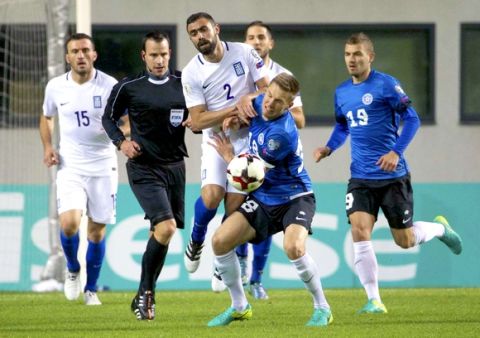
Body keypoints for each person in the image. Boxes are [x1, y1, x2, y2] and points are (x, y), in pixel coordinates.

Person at [313, 32, 463, 314]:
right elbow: (344, 125)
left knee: (404, 241)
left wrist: (396, 152)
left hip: (393, 178)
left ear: (370, 56)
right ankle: (374, 300)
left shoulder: (386, 85)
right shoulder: (342, 92)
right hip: (360, 178)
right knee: (359, 230)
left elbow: (413, 119)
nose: (352, 59)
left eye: (357, 54)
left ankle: (440, 229)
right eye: (347, 54)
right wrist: (330, 147)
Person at [206, 73, 332, 327]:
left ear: (288, 107)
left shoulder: (281, 134)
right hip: (264, 199)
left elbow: (253, 175)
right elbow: (249, 102)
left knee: (294, 248)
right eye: (269, 95)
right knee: (220, 241)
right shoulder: (260, 100)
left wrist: (229, 156)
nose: (269, 103)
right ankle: (239, 306)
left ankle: (323, 307)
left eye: (278, 102)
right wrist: (234, 115)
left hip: (295, 197)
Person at [102, 31, 189, 321]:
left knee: (161, 233)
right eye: (154, 55)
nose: (160, 60)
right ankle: (147, 295)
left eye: (164, 54)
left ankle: (143, 292)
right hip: (144, 167)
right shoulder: (129, 86)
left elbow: (198, 114)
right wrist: (121, 142)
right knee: (166, 229)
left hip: (175, 167)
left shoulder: (184, 83)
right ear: (144, 56)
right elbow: (108, 118)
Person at [181, 12, 269, 292]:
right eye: (193, 33)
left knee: (235, 208)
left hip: (247, 139)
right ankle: (196, 239)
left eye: (203, 30)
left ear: (216, 29)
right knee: (211, 196)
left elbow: (268, 91)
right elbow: (197, 120)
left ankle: (222, 260)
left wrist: (248, 101)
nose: (200, 37)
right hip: (216, 141)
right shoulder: (191, 72)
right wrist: (233, 111)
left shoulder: (244, 53)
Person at [39, 33, 118, 305]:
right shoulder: (55, 87)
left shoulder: (110, 86)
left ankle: (91, 289)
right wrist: (48, 147)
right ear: (67, 57)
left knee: (96, 232)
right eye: (75, 51)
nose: (81, 55)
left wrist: (116, 133)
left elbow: (128, 122)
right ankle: (73, 269)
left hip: (103, 165)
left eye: (86, 50)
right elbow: (47, 117)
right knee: (70, 224)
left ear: (94, 54)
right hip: (70, 165)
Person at [235, 20, 307, 300]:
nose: (255, 42)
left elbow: (299, 119)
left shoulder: (283, 77)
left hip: (272, 148)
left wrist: (260, 102)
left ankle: (256, 279)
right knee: (241, 208)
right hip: (243, 142)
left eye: (261, 37)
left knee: (263, 214)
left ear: (270, 43)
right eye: (250, 37)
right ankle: (240, 260)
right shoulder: (237, 71)